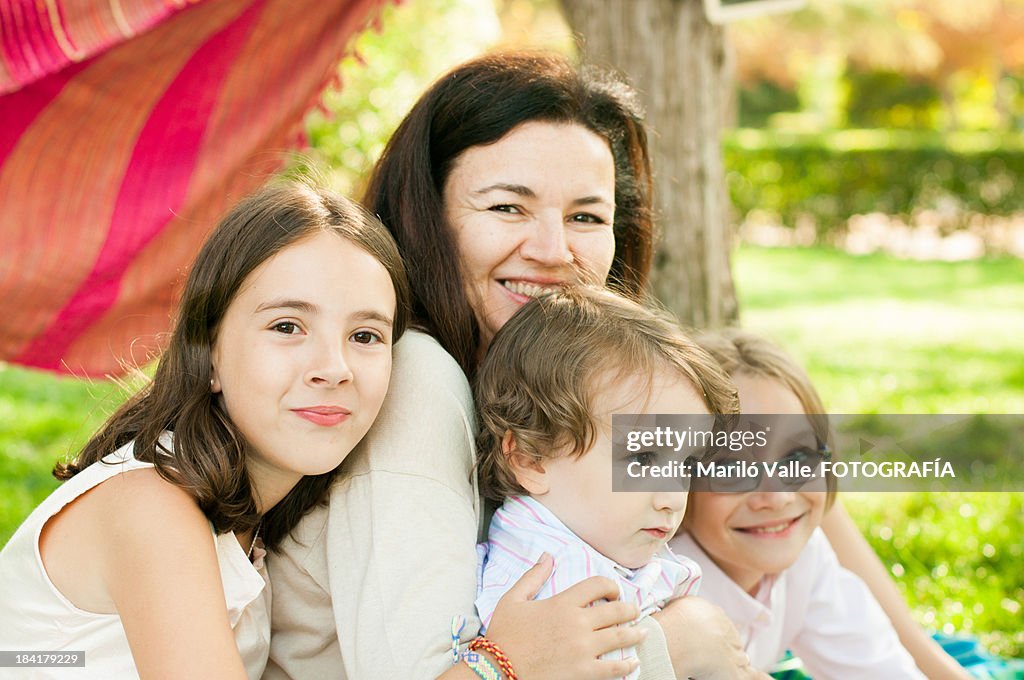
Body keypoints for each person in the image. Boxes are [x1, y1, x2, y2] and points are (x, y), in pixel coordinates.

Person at [267, 52, 763, 680]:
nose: (555, 251)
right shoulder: (419, 376)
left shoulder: (553, 384)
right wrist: (675, 642)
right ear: (428, 217)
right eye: (507, 208)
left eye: (586, 217)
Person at [0, 181, 410, 679]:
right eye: (287, 326)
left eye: (365, 336)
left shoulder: (250, 524)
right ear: (209, 351)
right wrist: (492, 664)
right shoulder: (150, 503)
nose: (334, 367)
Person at [474, 287, 743, 679]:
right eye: (642, 458)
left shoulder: (591, 539)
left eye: (686, 464)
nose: (672, 498)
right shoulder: (558, 574)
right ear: (529, 458)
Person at [669, 329, 925, 679]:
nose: (777, 497)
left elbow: (881, 669)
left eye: (797, 456)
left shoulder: (806, 557)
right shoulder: (662, 589)